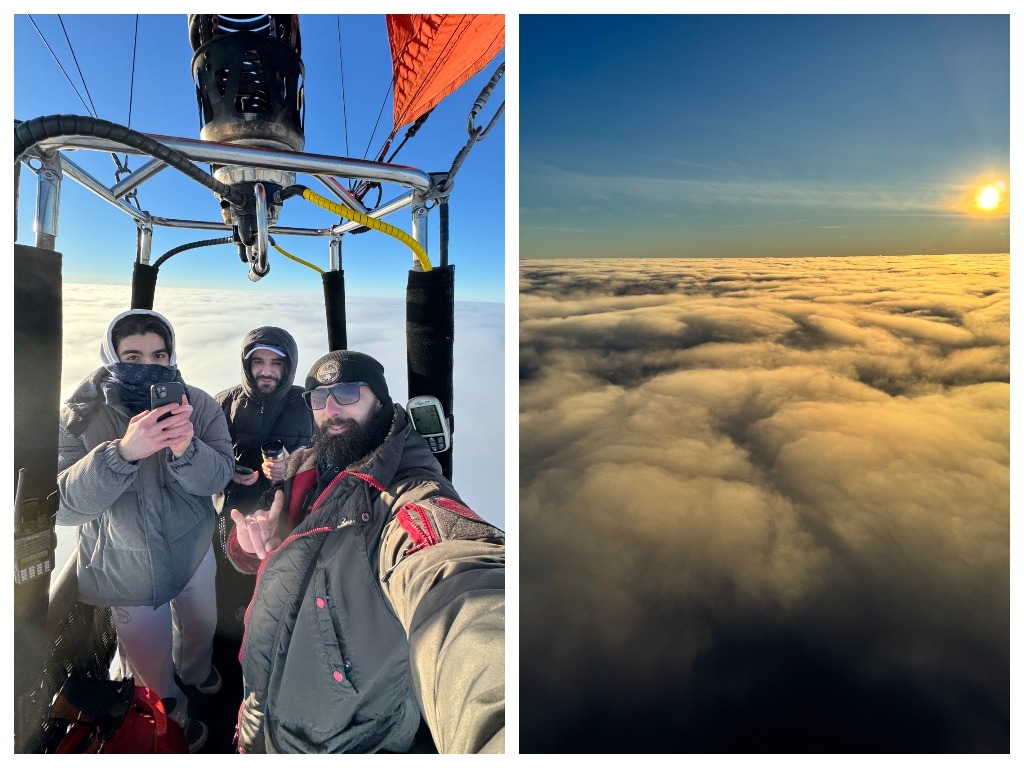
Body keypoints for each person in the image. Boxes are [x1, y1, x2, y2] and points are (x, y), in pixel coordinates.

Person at [227, 350, 505, 753]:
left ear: (381, 400)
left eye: (347, 393)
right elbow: (254, 553)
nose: (331, 410)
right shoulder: (304, 466)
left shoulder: (407, 499)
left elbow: (457, 583)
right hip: (262, 709)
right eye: (318, 398)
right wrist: (251, 544)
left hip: (347, 743)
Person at [56, 309, 235, 753]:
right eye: (132, 356)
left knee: (201, 627)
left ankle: (196, 672)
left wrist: (186, 448)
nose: (148, 365)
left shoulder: (198, 404)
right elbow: (62, 507)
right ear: (110, 355)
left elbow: (219, 477)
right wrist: (121, 454)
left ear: (172, 356)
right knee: (150, 665)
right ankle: (174, 719)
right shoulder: (79, 416)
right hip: (124, 565)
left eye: (159, 355)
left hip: (192, 548)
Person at [208, 327, 313, 749]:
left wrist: (291, 465)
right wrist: (229, 474)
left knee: (275, 597)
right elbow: (204, 459)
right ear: (246, 364)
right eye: (258, 362)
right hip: (232, 515)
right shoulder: (223, 403)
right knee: (228, 589)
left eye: (276, 363)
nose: (266, 371)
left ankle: (266, 669)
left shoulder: (307, 405)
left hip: (285, 521)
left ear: (289, 366)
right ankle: (228, 659)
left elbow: (325, 460)